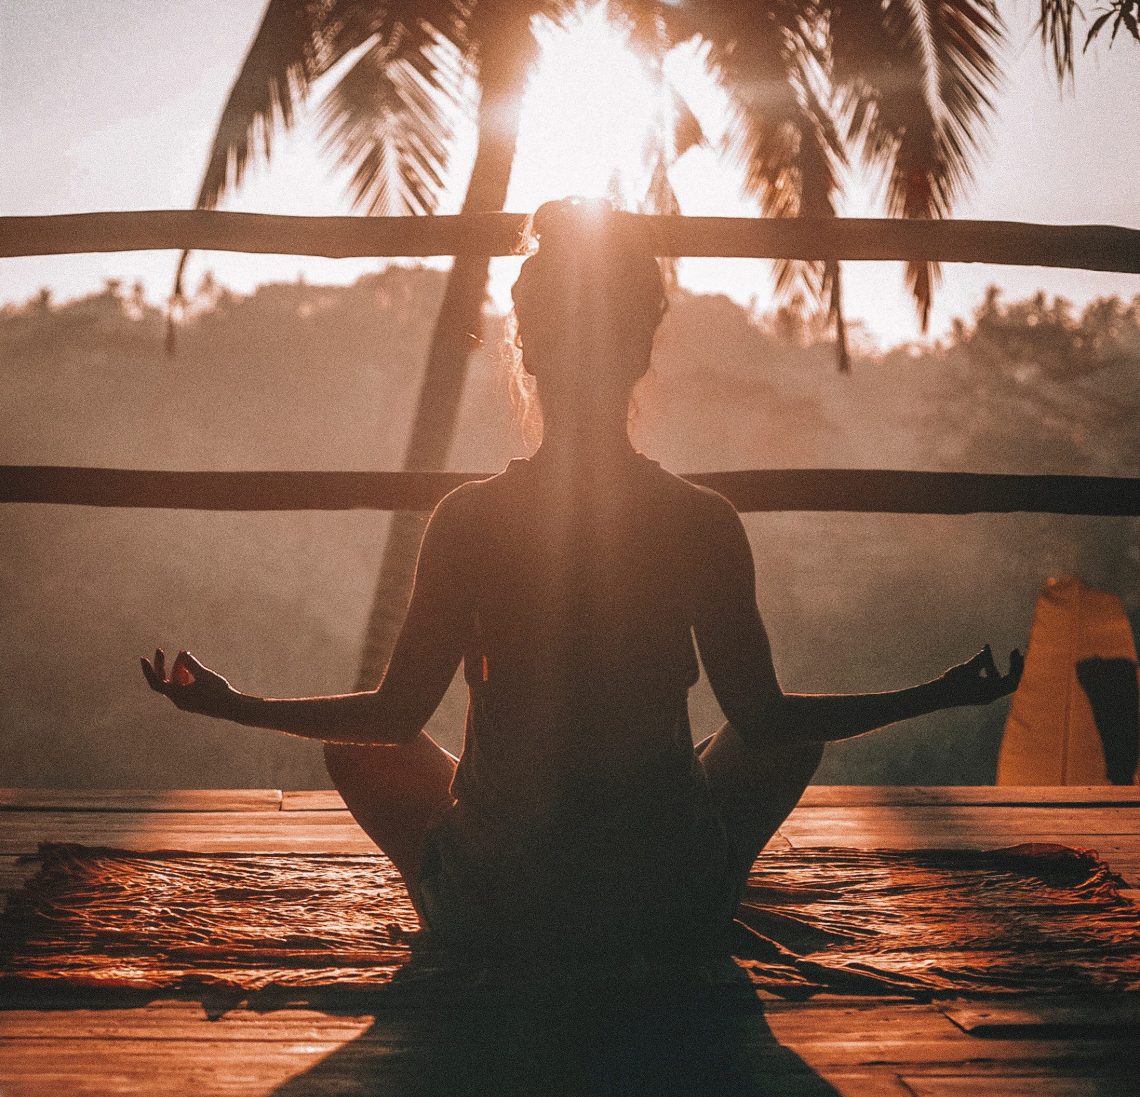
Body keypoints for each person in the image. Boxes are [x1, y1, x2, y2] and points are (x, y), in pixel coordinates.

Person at [142, 198, 1023, 962]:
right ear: (641, 354)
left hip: (501, 911)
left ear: (527, 352)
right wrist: (938, 693)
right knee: (786, 736)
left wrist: (233, 704)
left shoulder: (470, 519)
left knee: (357, 748)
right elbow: (767, 721)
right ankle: (702, 889)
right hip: (665, 904)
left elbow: (391, 718)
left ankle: (462, 897)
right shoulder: (700, 519)